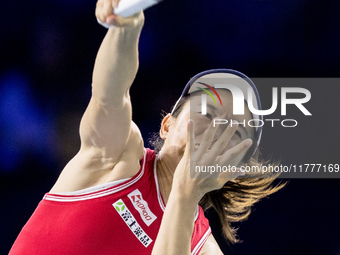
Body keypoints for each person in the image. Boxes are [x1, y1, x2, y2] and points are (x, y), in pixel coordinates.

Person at [9, 1, 285, 254]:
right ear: (167, 125)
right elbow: (110, 95)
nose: (215, 131)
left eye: (233, 132)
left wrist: (185, 194)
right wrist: (126, 28)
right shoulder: (119, 155)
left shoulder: (204, 250)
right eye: (207, 113)